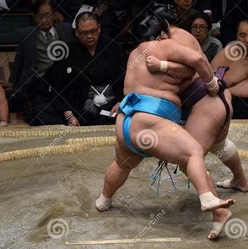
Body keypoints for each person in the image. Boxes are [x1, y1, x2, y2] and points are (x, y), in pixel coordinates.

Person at [95, 11, 235, 215]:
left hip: (126, 122)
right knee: (193, 151)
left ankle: (103, 200)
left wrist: (164, 66)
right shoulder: (164, 44)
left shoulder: (134, 55)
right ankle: (207, 197)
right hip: (149, 121)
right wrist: (212, 83)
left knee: (122, 164)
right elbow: (197, 59)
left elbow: (183, 70)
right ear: (162, 33)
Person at [142, 4, 248, 239]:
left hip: (206, 98)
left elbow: (194, 65)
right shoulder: (182, 36)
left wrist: (162, 66)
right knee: (218, 145)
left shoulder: (174, 40)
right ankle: (241, 181)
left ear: (163, 29)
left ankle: (219, 212)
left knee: (190, 156)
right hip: (214, 98)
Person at [47, 11, 126, 126]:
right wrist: (69, 115)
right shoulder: (66, 51)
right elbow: (58, 86)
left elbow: (124, 79)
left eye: (92, 31)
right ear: (76, 33)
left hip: (111, 105)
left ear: (99, 28)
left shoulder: (114, 48)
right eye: (84, 33)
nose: (89, 36)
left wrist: (120, 102)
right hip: (79, 106)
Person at [8, 0, 74, 125]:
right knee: (42, 112)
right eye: (40, 16)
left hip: (65, 80)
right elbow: (19, 60)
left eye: (48, 15)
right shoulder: (27, 35)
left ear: (54, 15)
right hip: (40, 82)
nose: (45, 20)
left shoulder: (66, 29)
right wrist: (13, 83)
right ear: (34, 17)